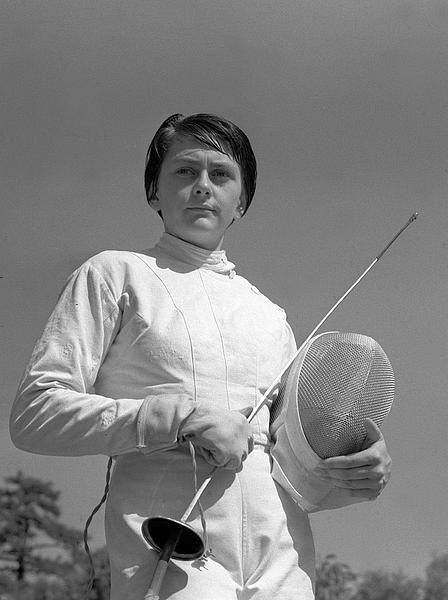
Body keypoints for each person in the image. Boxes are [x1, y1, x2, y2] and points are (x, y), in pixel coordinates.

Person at [10, 113, 392, 600]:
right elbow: (36, 413)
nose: (203, 186)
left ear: (242, 201)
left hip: (283, 557)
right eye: (185, 171)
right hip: (169, 543)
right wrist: (181, 418)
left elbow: (294, 466)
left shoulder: (270, 316)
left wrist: (353, 471)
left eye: (222, 174)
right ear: (154, 192)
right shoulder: (116, 274)